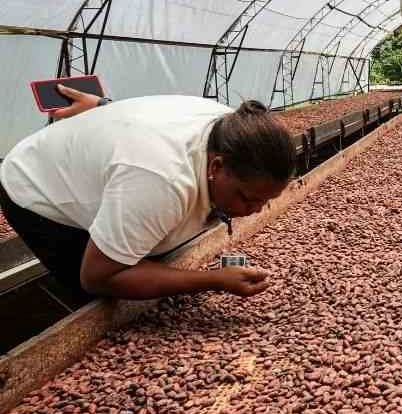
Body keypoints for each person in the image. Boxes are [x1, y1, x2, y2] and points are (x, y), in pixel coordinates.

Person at [0, 84, 294, 300]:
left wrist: (104, 105)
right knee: (99, 293)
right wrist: (211, 279)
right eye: (246, 198)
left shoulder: (236, 128)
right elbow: (98, 277)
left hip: (120, 170)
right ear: (216, 167)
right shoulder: (161, 181)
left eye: (266, 201)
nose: (254, 210)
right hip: (35, 184)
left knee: (138, 246)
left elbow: (151, 111)